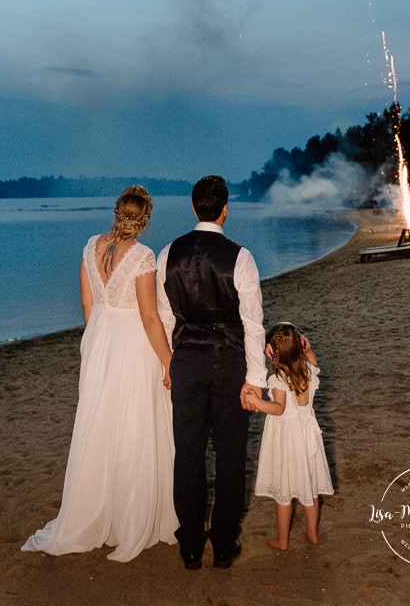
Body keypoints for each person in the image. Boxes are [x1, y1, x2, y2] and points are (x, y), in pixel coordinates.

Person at [22, 185, 177, 563]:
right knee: (133, 428)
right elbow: (149, 316)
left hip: (100, 341)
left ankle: (97, 513)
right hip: (132, 346)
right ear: (145, 218)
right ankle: (129, 520)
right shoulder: (142, 256)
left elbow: (87, 301)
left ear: (116, 212)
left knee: (100, 426)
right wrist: (169, 362)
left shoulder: (91, 244)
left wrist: (96, 340)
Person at [157, 175, 266, 570]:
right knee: (231, 454)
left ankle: (189, 545)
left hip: (186, 360)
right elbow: (253, 324)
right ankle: (222, 544)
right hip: (229, 361)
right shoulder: (241, 257)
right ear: (224, 209)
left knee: (187, 453)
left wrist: (170, 364)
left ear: (192, 207)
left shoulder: (168, 254)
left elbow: (166, 315)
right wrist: (256, 378)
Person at [251, 322, 334, 549]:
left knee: (285, 492)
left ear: (272, 355)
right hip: (308, 439)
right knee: (311, 487)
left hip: (288, 441)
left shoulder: (279, 380)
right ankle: (312, 533)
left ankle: (283, 540)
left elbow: (278, 408)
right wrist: (307, 350)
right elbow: (312, 359)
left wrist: (258, 402)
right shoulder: (307, 370)